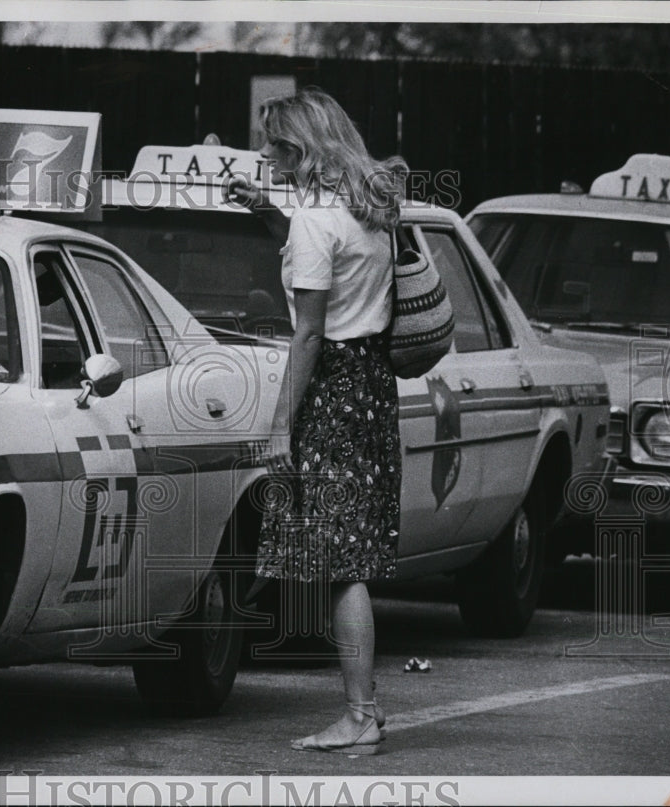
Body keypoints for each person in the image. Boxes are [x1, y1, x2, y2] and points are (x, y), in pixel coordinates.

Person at [226, 87, 407, 755]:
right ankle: (365, 709)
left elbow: (307, 335)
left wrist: (280, 425)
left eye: (271, 144)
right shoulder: (369, 208)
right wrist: (269, 211)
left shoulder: (315, 220)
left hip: (329, 387)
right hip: (371, 385)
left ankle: (360, 713)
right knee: (350, 553)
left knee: (340, 563)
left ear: (298, 150)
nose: (261, 153)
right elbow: (327, 255)